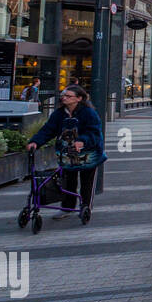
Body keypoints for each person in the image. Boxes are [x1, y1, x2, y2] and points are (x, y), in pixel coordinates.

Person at [26, 84, 106, 222]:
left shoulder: (88, 113)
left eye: (68, 96)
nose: (64, 98)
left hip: (88, 155)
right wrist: (36, 142)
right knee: (68, 182)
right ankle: (67, 207)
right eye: (63, 95)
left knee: (87, 183)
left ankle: (86, 207)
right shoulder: (59, 114)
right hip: (67, 155)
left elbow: (95, 132)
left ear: (79, 98)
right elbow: (48, 130)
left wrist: (83, 141)